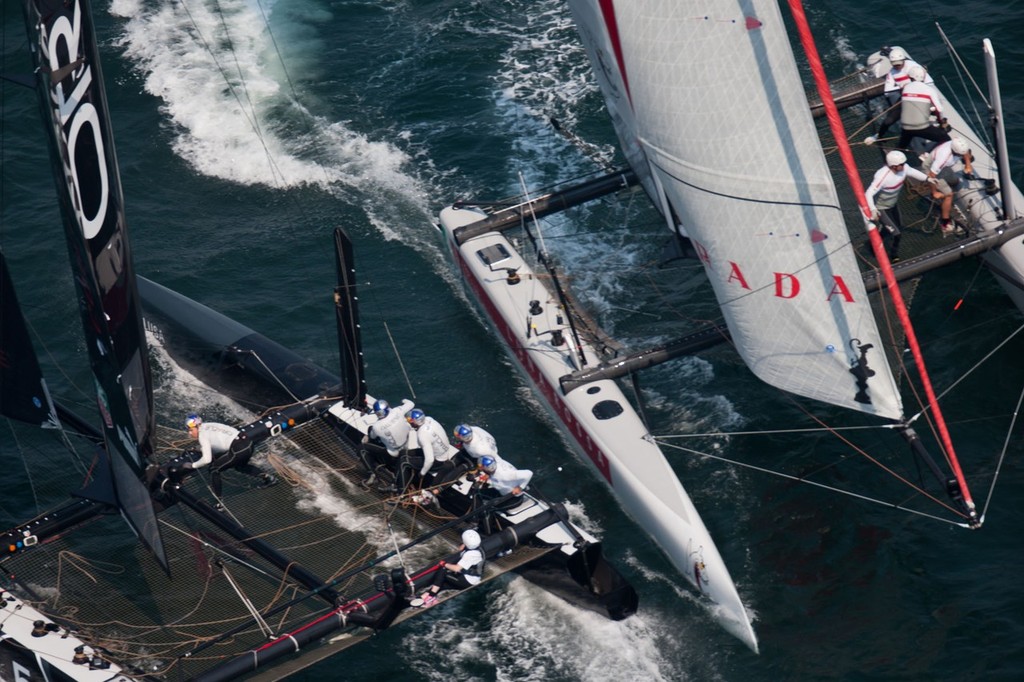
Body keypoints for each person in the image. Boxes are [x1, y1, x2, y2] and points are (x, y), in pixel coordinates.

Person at [864, 150, 931, 261]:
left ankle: (873, 241)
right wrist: (873, 209)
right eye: (901, 164)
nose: (904, 166)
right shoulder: (882, 177)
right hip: (882, 209)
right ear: (894, 166)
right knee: (897, 234)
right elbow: (868, 193)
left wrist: (928, 179)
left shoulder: (904, 169)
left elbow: (912, 171)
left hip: (893, 205)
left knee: (895, 228)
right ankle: (892, 254)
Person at [865, 47, 933, 145]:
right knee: (888, 121)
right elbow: (887, 91)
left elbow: (930, 82)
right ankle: (879, 135)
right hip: (905, 98)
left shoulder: (914, 67)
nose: (897, 66)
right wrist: (901, 88)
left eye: (899, 64)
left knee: (932, 110)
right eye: (894, 64)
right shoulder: (892, 72)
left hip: (922, 96)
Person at [182, 414, 257, 496]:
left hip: (239, 449)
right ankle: (267, 477)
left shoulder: (202, 435)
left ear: (197, 426)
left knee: (214, 469)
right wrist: (200, 448)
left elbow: (207, 460)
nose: (190, 433)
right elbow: (218, 443)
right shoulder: (209, 425)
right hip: (247, 443)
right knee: (240, 466)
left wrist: (193, 465)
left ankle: (219, 503)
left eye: (191, 430)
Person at [417, 529, 485, 607]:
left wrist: (444, 564)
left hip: (467, 581)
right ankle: (424, 597)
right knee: (441, 584)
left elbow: (457, 568)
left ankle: (431, 596)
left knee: (443, 570)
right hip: (472, 580)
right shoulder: (478, 548)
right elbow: (461, 550)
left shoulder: (470, 555)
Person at [920, 137, 975, 234]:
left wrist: (968, 165)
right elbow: (931, 176)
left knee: (955, 181)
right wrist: (934, 192)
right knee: (949, 195)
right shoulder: (943, 158)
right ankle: (945, 223)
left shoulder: (958, 145)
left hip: (944, 169)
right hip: (931, 170)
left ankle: (943, 199)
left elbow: (965, 153)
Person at [401, 409, 462, 492]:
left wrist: (422, 473)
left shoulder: (422, 434)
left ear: (417, 422)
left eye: (410, 420)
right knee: (403, 453)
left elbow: (429, 460)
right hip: (441, 452)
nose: (409, 422)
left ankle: (400, 490)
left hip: (438, 461)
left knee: (404, 462)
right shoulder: (429, 419)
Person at [360, 398, 414, 489]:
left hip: (393, 452)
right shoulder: (397, 411)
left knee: (361, 447)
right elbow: (411, 403)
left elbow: (372, 436)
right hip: (406, 446)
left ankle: (372, 474)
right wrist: (403, 401)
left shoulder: (376, 426)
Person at [897, 65, 950, 152]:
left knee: (903, 144)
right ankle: (934, 154)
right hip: (921, 127)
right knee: (946, 139)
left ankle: (899, 151)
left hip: (905, 127)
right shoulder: (929, 90)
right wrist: (941, 122)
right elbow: (939, 110)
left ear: (911, 77)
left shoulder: (905, 88)